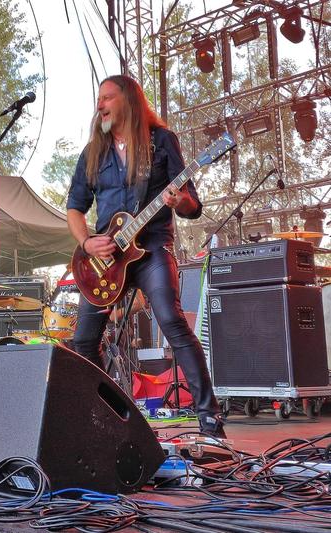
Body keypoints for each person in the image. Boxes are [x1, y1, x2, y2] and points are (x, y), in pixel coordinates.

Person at [66, 75, 226, 438]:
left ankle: (210, 418)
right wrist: (88, 242)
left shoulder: (161, 141)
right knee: (83, 341)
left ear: (129, 101)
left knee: (171, 321)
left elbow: (191, 205)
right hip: (107, 258)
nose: (100, 104)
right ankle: (104, 417)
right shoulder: (93, 152)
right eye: (99, 98)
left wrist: (178, 200)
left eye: (107, 97)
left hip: (152, 247)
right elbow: (75, 209)